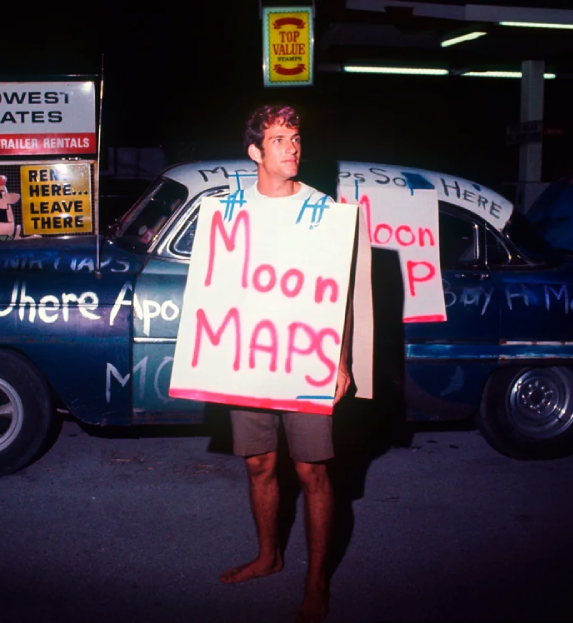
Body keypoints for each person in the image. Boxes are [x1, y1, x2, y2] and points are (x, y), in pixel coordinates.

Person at [220, 104, 353, 623]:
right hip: (249, 357)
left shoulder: (321, 210)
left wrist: (339, 360)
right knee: (259, 464)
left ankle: (316, 581)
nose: (292, 148)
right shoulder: (231, 212)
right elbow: (215, 288)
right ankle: (268, 556)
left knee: (311, 470)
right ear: (255, 152)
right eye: (279, 140)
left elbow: (338, 292)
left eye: (295, 139)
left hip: (305, 356)